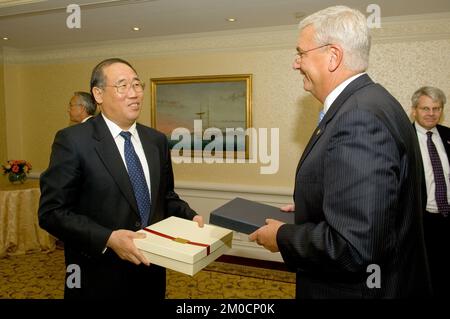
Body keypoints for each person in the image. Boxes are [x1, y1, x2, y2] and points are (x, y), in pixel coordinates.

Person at [249, 6, 431, 298]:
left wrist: (281, 236)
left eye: (301, 53)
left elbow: (353, 247)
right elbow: (382, 203)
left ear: (333, 56)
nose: (296, 64)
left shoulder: (359, 118)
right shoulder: (375, 101)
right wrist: (319, 205)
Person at [39, 58, 204, 299]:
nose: (134, 93)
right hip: (98, 275)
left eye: (137, 85)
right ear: (98, 94)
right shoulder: (73, 141)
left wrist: (189, 216)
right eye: (122, 86)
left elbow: (164, 197)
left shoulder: (156, 141)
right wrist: (109, 238)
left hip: (151, 269)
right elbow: (52, 213)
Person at [411, 86, 449, 299]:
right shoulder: (403, 138)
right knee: (424, 279)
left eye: (436, 108)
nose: (431, 113)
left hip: (447, 216)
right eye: (425, 108)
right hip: (421, 221)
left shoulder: (448, 135)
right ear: (414, 110)